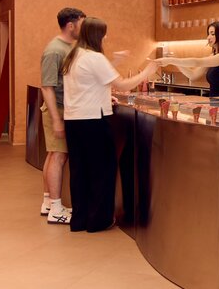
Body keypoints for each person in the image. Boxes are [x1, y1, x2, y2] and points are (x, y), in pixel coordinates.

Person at [61, 17, 157, 233]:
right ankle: (99, 220)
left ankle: (80, 220)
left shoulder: (74, 55)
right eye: (104, 33)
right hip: (93, 121)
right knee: (102, 170)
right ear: (96, 35)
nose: (107, 37)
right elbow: (122, 84)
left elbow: (88, 83)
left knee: (80, 171)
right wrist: (147, 72)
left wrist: (112, 67)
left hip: (74, 121)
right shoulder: (95, 57)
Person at [39, 7, 85, 225]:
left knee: (53, 155)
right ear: (71, 25)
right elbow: (46, 87)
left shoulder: (68, 47)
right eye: (81, 24)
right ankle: (56, 208)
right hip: (56, 109)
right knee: (58, 156)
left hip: (62, 108)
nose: (82, 29)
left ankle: (49, 201)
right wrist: (57, 119)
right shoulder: (55, 50)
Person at [155, 21, 219, 105]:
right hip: (214, 102)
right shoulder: (212, 56)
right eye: (208, 34)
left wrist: (171, 60)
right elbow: (193, 75)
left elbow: (197, 62)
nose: (208, 37)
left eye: (212, 34)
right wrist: (174, 61)